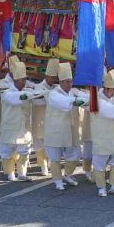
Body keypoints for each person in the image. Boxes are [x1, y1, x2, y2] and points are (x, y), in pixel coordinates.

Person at [44, 62, 87, 190]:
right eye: (67, 82)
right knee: (55, 156)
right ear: (61, 82)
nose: (70, 84)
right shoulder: (53, 93)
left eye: (71, 81)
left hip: (71, 129)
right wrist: (75, 101)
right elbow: (63, 103)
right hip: (55, 130)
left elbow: (85, 97)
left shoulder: (72, 92)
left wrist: (92, 98)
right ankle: (57, 181)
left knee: (76, 152)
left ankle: (67, 175)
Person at [91, 69, 114, 197]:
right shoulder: (96, 100)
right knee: (100, 163)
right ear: (106, 89)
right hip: (101, 136)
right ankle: (101, 188)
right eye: (112, 89)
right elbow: (108, 110)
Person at [1, 61, 40, 181]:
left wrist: (40, 94)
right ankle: (10, 173)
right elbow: (16, 99)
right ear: (15, 80)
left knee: (25, 151)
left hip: (24, 128)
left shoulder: (27, 91)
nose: (23, 82)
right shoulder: (7, 93)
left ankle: (22, 173)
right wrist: (30, 93)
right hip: (10, 127)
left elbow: (37, 99)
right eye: (21, 80)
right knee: (8, 151)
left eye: (25, 79)